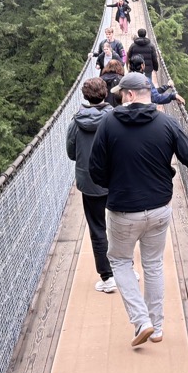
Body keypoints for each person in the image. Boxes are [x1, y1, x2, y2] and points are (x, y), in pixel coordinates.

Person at [89, 72, 188, 346]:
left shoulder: (108, 124)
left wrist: (115, 185)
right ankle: (157, 327)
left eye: (121, 94)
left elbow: (95, 170)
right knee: (153, 264)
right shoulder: (167, 123)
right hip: (159, 208)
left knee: (120, 262)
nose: (119, 98)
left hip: (123, 210)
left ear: (130, 95)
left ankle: (142, 321)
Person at [66, 78, 116, 294]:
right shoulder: (116, 118)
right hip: (115, 179)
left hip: (90, 182)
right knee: (121, 225)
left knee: (98, 229)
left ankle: (107, 277)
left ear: (85, 96)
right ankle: (126, 269)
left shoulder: (76, 122)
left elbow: (71, 154)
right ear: (105, 93)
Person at [111, 57, 183, 107]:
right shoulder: (145, 80)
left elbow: (151, 92)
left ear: (129, 66)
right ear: (142, 66)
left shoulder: (126, 79)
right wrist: (172, 96)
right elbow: (155, 98)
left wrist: (166, 86)